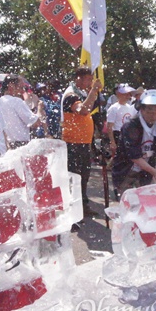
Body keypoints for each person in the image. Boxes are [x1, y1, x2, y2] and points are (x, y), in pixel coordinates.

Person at [61, 66, 102, 216]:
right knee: (75, 178)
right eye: (88, 79)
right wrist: (93, 91)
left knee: (84, 177)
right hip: (73, 144)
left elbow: (90, 108)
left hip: (83, 143)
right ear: (78, 78)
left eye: (91, 80)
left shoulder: (81, 93)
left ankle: (82, 207)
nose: (90, 83)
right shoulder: (71, 95)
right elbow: (83, 110)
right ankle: (72, 210)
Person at [112, 89, 156, 196]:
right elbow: (134, 156)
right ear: (141, 109)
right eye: (149, 112)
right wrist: (155, 172)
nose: (153, 116)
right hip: (127, 169)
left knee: (146, 200)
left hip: (146, 171)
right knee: (128, 202)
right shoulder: (131, 125)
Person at [0, 74, 45, 149]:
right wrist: (40, 108)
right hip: (20, 145)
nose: (23, 91)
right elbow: (36, 123)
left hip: (5, 144)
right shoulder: (16, 101)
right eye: (21, 87)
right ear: (11, 86)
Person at [106, 83, 137, 156]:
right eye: (125, 94)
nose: (128, 96)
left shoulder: (130, 107)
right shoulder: (114, 108)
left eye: (129, 94)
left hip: (128, 135)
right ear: (119, 94)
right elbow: (109, 126)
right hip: (118, 135)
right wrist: (112, 142)